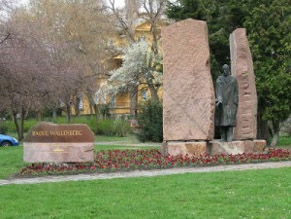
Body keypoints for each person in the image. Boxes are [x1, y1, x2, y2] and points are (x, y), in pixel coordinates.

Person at [215, 64, 238, 142]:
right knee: (222, 121)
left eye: (226, 69)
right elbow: (218, 91)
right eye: (224, 69)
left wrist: (235, 103)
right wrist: (219, 100)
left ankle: (229, 137)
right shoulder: (219, 79)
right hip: (222, 103)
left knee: (230, 121)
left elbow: (236, 93)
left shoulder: (233, 80)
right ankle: (223, 137)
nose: (225, 71)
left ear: (229, 70)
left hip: (231, 103)